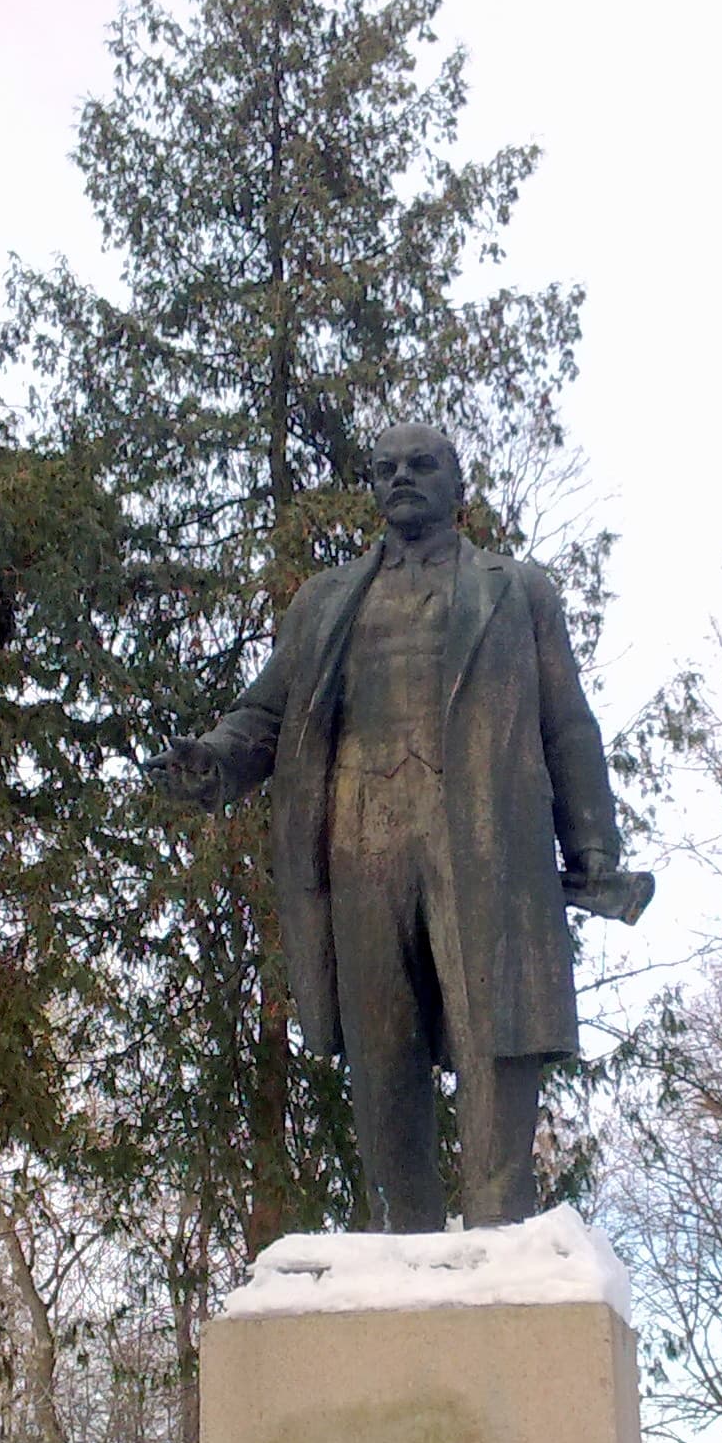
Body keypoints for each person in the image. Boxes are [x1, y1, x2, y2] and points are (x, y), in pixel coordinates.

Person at [147, 423, 648, 1233]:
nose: (402, 478)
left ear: (457, 482)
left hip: (484, 844)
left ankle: (500, 1232)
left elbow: (566, 723)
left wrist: (591, 841)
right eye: (385, 469)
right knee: (380, 1047)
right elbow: (266, 714)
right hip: (360, 841)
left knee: (496, 1036)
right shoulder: (325, 602)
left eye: (421, 465)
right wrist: (212, 762)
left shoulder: (519, 590)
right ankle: (405, 1240)